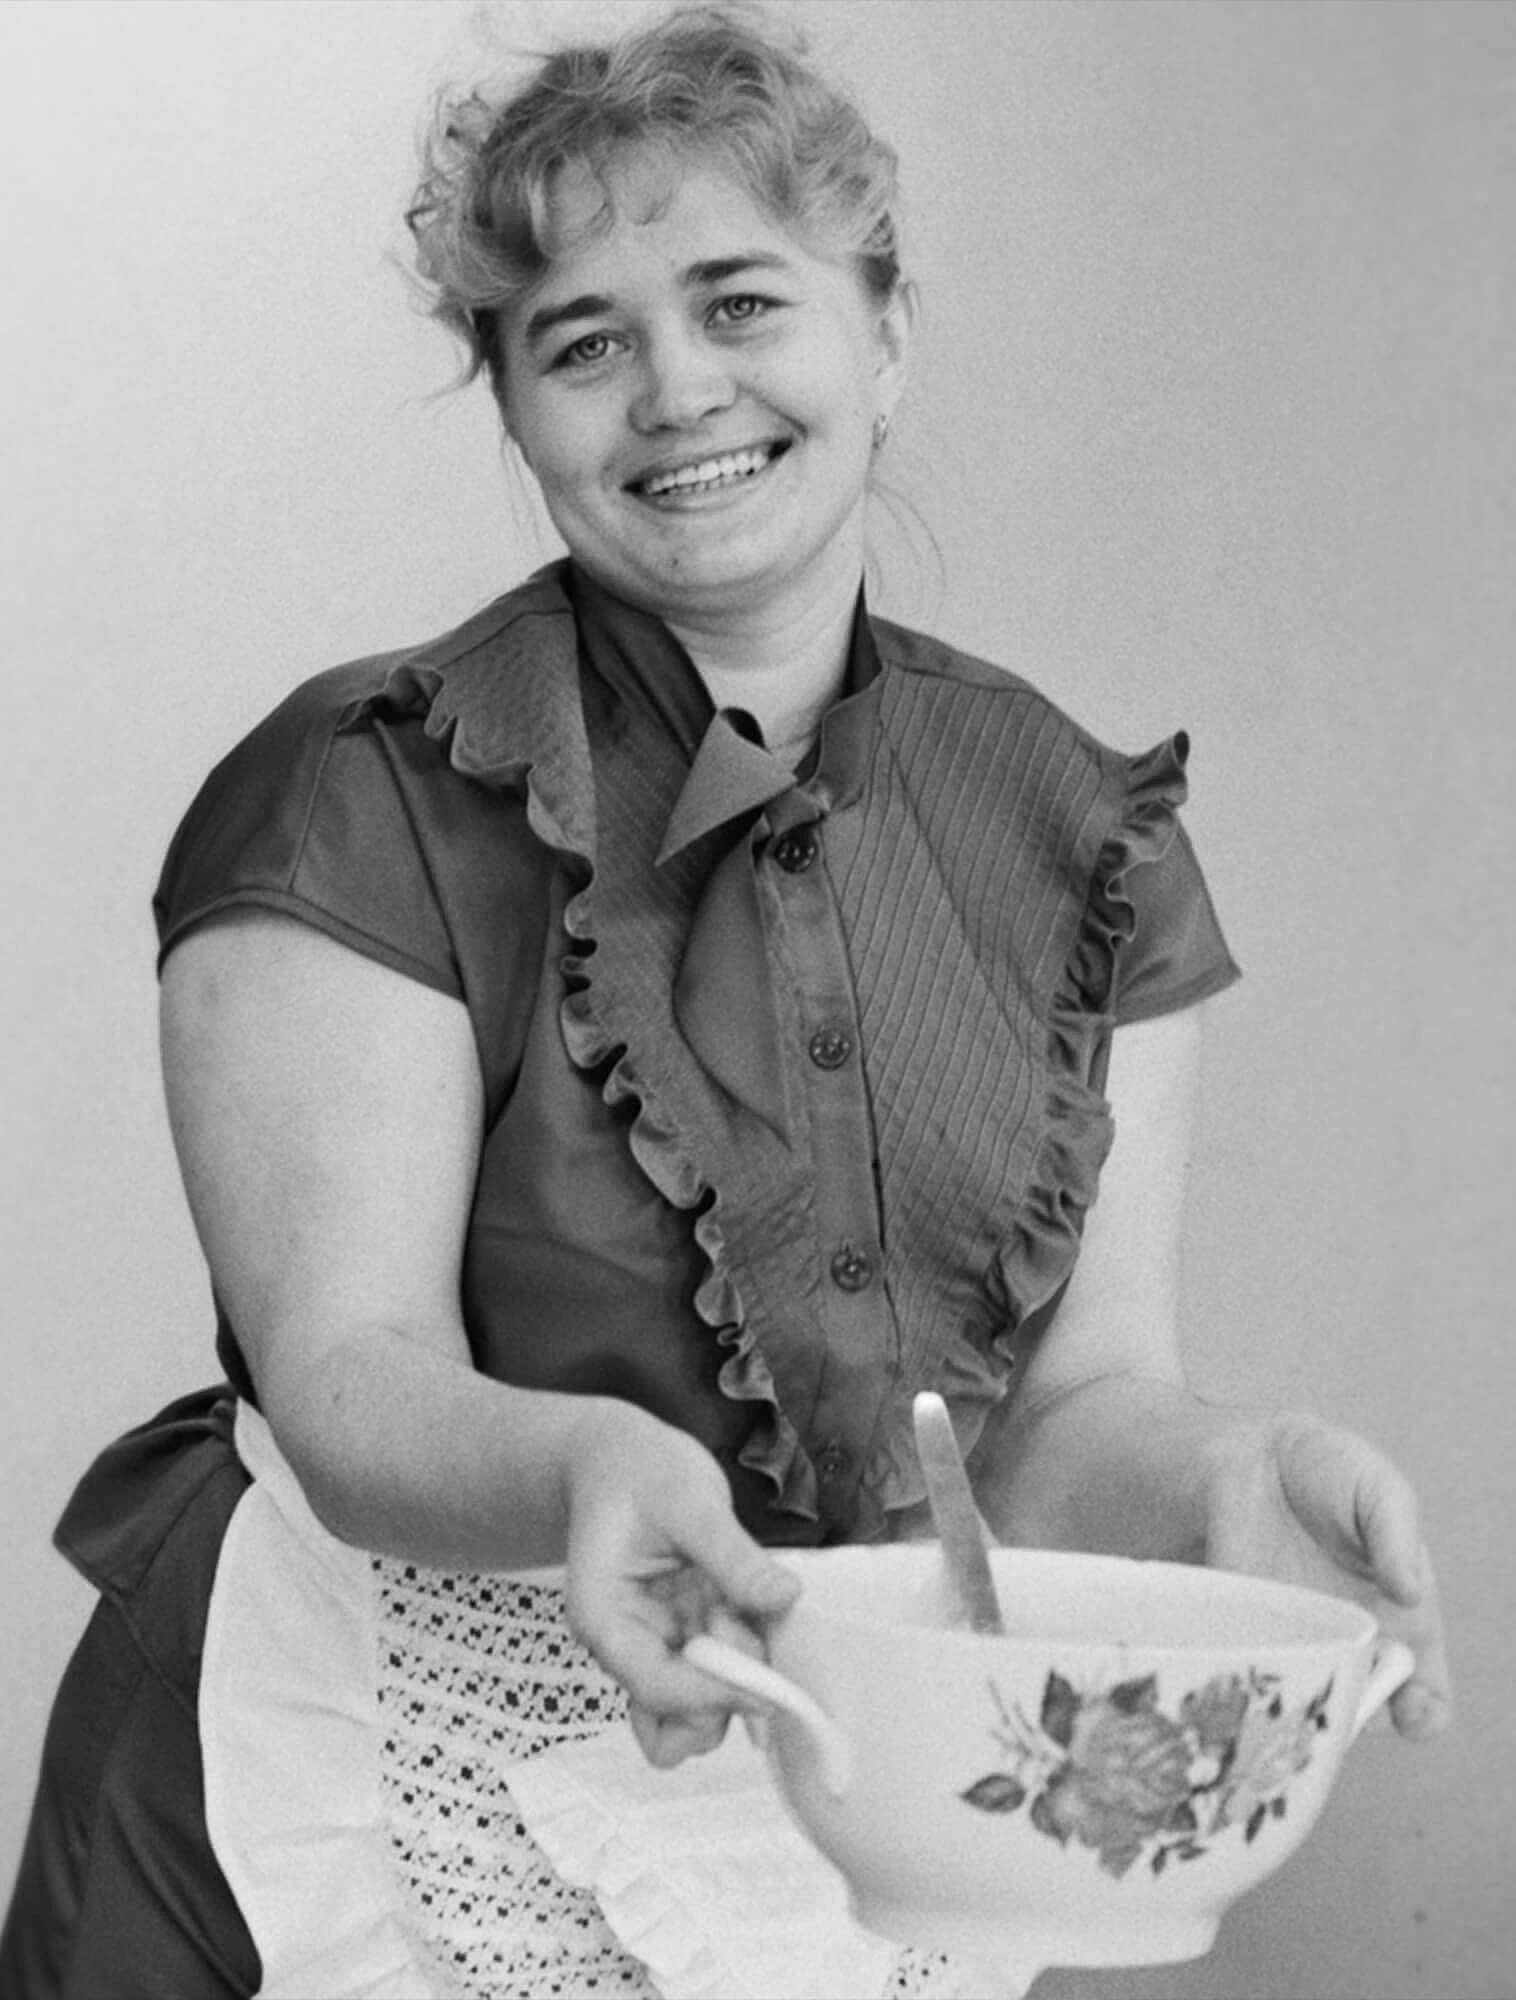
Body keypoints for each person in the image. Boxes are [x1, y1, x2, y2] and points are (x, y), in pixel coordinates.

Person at [0, 6, 1449, 1996]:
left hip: (831, 1793)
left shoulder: (1086, 836)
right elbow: (346, 1376)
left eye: (741, 302)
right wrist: (584, 1467)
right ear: (516, 412)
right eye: (582, 341)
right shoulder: (359, 794)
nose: (679, 390)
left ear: (885, 335)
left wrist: (1219, 1477)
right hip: (354, 1789)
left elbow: (1060, 1415)